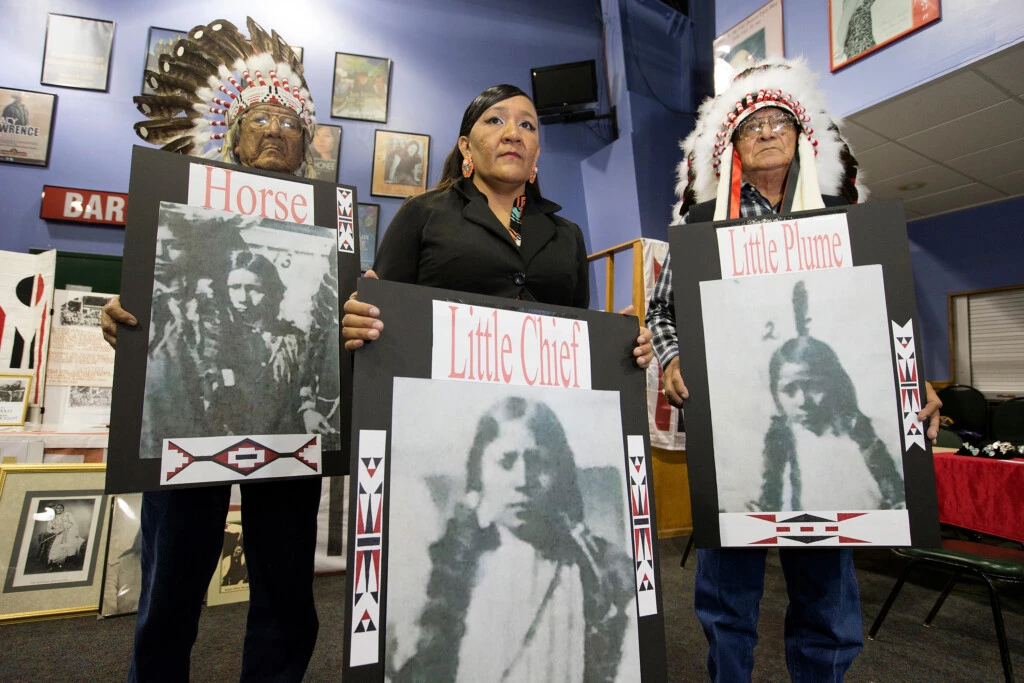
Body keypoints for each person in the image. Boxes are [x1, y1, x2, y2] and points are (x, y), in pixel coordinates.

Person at [646, 58, 943, 681]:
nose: (767, 131)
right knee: (726, 602)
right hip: (733, 435)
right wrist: (672, 358)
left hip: (828, 438)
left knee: (828, 607)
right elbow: (663, 312)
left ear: (805, 134)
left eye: (781, 120)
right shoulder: (701, 225)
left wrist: (910, 385)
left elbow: (883, 320)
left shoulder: (845, 215)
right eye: (752, 125)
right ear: (730, 144)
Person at [101, 18, 323, 682]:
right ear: (230, 128)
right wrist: (124, 320)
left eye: (291, 121)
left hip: (284, 431)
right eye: (262, 117)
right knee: (171, 587)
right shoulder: (183, 214)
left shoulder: (325, 224)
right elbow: (149, 303)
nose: (278, 129)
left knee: (287, 592)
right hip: (187, 425)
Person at [392, 397, 633, 681]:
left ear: (560, 472)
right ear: (480, 473)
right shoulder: (446, 570)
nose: (522, 479)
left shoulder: (601, 572)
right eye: (506, 462)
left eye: (538, 462)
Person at [760, 281, 905, 512]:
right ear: (775, 393)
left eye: (813, 387)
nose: (802, 401)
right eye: (789, 390)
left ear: (834, 384)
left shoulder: (873, 437)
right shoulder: (777, 443)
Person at [44, 503, 84, 570]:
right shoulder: (52, 518)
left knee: (71, 547)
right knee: (57, 549)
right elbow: (49, 529)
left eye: (61, 508)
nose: (59, 510)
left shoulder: (67, 514)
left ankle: (70, 564)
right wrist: (56, 531)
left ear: (63, 509)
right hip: (60, 534)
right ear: (55, 509)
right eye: (58, 508)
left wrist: (76, 533)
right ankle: (57, 564)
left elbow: (74, 524)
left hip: (70, 533)